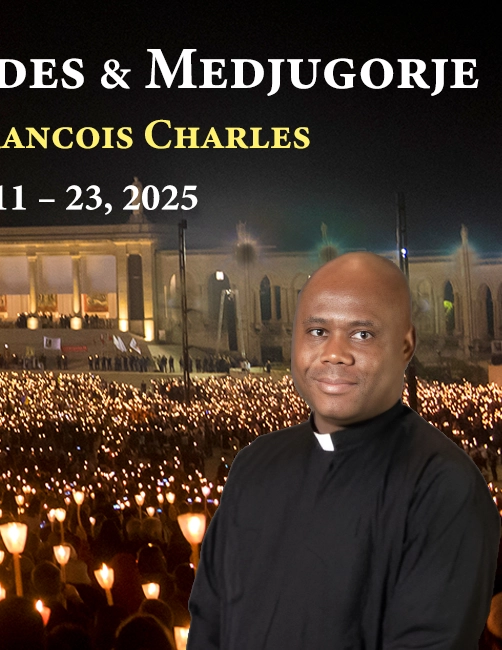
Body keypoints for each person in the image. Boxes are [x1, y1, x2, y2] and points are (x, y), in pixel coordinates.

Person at [187, 252, 501, 649]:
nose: (334, 352)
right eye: (317, 331)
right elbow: (209, 620)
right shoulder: (256, 465)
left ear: (406, 346)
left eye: (362, 334)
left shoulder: (442, 487)